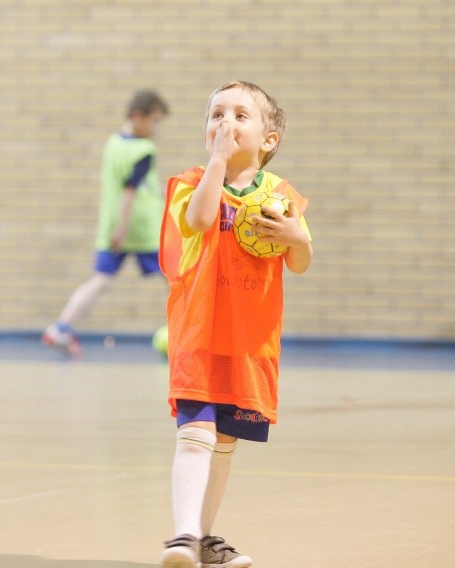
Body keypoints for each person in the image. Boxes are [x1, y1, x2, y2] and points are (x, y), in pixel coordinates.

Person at [158, 81, 313, 568]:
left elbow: (302, 261)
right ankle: (182, 536)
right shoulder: (191, 183)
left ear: (269, 139)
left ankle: (201, 539)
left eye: (240, 115)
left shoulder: (282, 197)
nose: (225, 122)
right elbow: (202, 219)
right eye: (216, 114)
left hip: (249, 344)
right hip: (199, 333)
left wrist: (295, 236)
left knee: (224, 441)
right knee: (196, 433)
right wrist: (219, 164)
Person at [42, 89, 169, 357]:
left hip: (111, 225)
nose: (157, 128)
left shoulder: (113, 143)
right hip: (142, 228)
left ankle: (61, 327)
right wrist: (123, 227)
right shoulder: (145, 149)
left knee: (100, 280)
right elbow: (130, 190)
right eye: (154, 121)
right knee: (174, 278)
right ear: (138, 116)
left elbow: (134, 184)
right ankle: (191, 335)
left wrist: (159, 191)